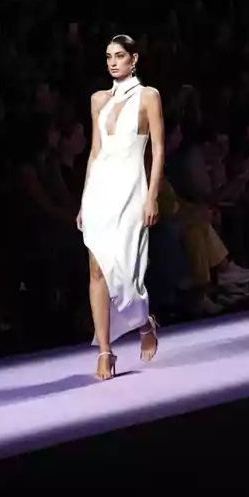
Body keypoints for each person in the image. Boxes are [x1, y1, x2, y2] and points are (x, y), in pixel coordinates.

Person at [77, 35, 164, 380]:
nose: (113, 62)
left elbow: (158, 149)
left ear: (134, 59)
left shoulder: (148, 96)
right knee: (96, 268)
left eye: (120, 56)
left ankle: (143, 322)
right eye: (109, 57)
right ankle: (105, 351)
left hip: (131, 190)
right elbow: (95, 151)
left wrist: (152, 195)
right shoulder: (98, 99)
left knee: (127, 272)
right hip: (99, 190)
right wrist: (84, 199)